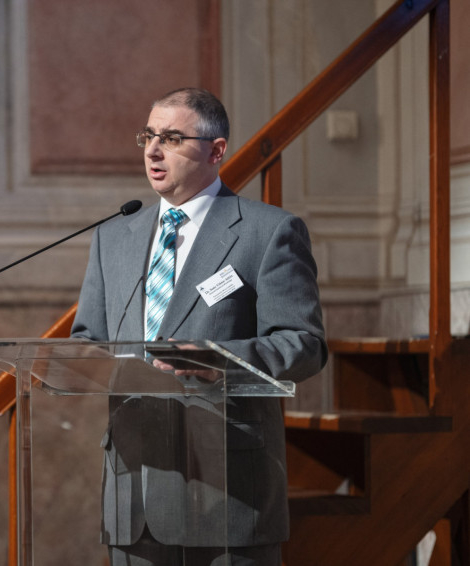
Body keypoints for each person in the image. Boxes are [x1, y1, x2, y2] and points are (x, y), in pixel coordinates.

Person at [70, 88, 327, 565]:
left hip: (226, 489)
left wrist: (220, 362)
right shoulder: (113, 237)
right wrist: (85, 364)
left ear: (216, 150)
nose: (153, 150)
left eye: (171, 138)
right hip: (132, 492)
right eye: (148, 136)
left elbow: (304, 344)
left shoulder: (267, 231)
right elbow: (87, 341)